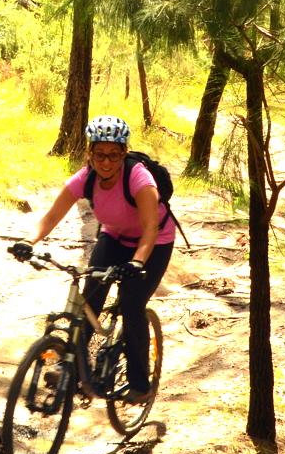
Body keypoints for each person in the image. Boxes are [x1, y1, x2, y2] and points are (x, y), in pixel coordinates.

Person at [13, 115, 174, 403]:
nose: (106, 162)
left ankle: (140, 382)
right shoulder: (84, 179)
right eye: (99, 154)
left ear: (124, 153)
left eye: (114, 155)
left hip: (154, 243)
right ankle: (72, 367)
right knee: (90, 297)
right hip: (114, 237)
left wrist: (136, 262)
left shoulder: (139, 178)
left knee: (132, 303)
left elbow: (150, 228)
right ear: (90, 153)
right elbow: (50, 217)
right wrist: (29, 241)